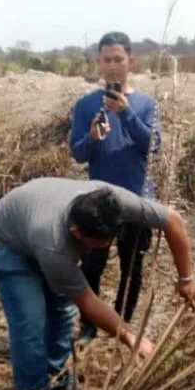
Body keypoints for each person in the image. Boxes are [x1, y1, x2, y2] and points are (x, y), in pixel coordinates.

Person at [0, 177, 195, 390]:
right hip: (6, 243)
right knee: (31, 319)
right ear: (76, 232)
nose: (105, 248)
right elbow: (87, 302)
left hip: (33, 218)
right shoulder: (55, 246)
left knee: (61, 312)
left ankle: (55, 376)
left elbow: (172, 220)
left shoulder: (111, 200)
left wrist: (186, 279)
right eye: (99, 244)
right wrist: (131, 337)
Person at [70, 31, 162, 344]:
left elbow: (154, 146)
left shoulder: (146, 104)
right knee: (91, 265)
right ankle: (90, 325)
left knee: (131, 267)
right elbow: (78, 153)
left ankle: (122, 325)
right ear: (98, 63)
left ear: (130, 62)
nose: (112, 66)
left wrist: (127, 113)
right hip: (99, 199)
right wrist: (93, 138)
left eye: (118, 59)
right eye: (106, 60)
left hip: (137, 198)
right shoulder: (85, 106)